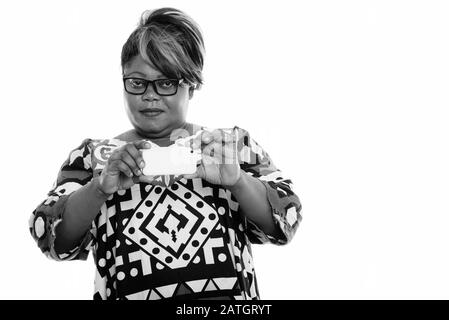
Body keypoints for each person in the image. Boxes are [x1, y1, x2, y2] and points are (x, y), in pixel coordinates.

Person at [28, 7, 302, 300]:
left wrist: (238, 181)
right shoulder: (94, 158)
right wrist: (99, 188)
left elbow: (285, 221)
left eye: (167, 82)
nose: (150, 94)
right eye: (137, 82)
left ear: (192, 86)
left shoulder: (230, 148)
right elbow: (51, 238)